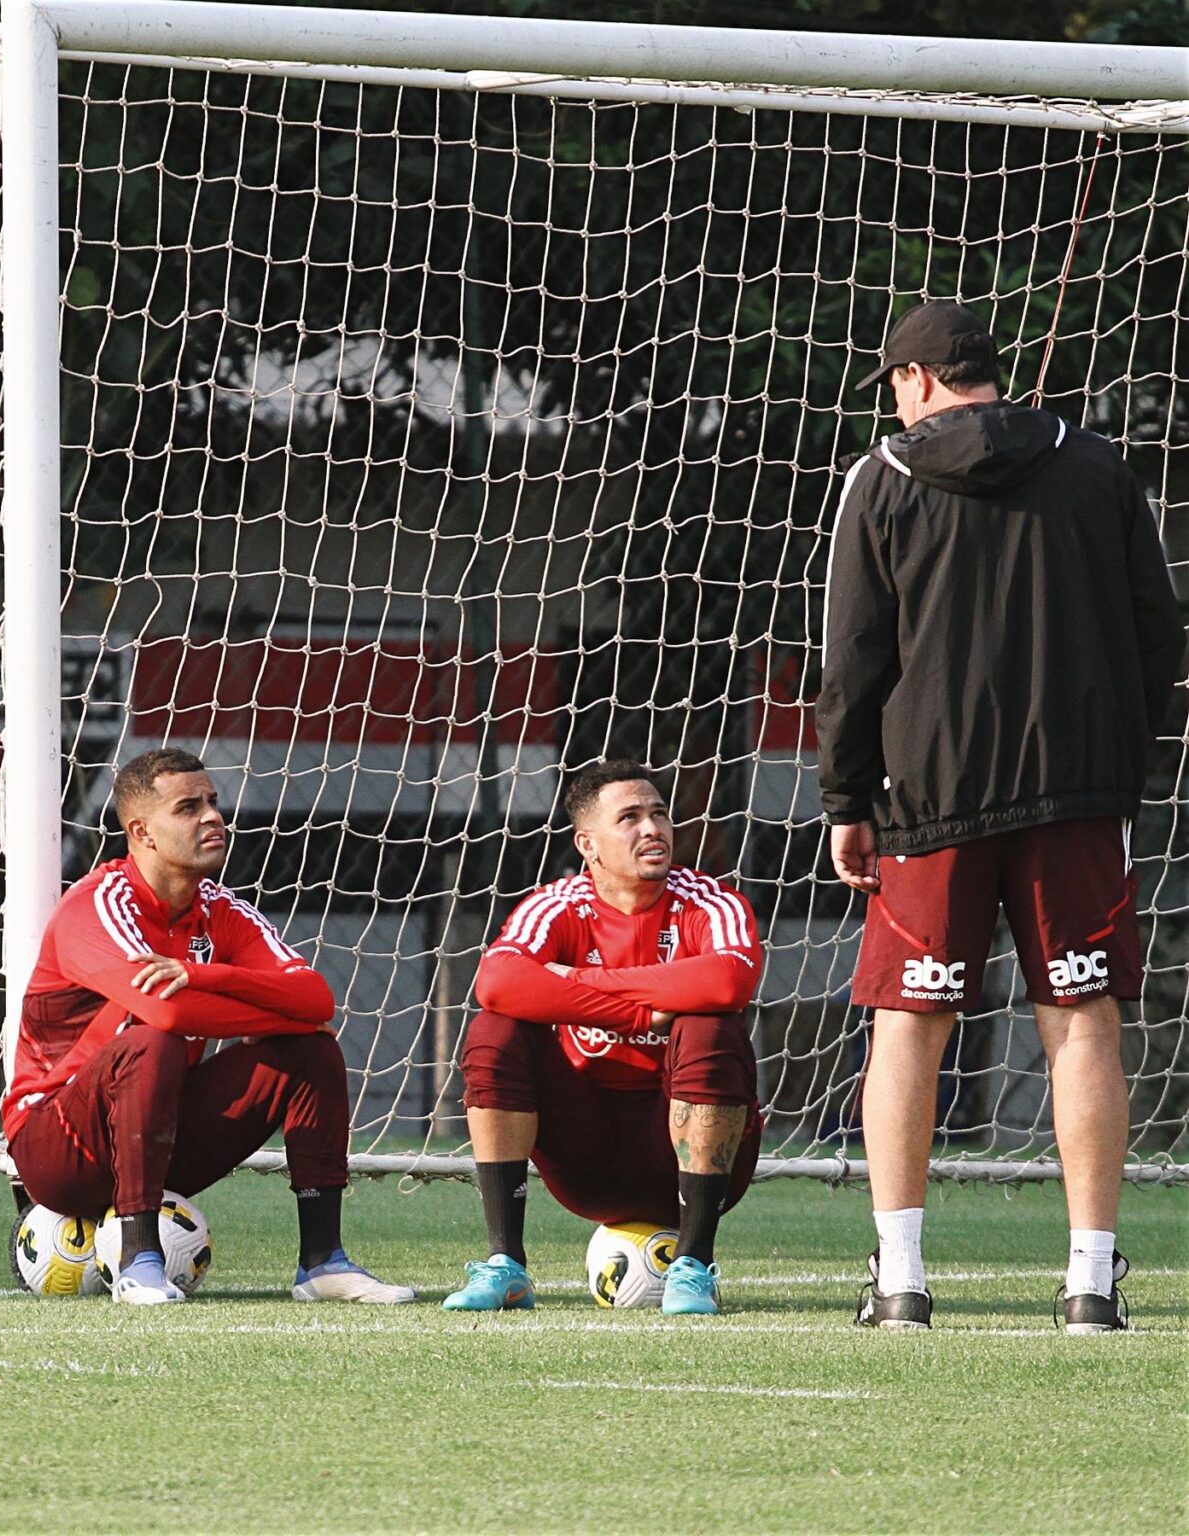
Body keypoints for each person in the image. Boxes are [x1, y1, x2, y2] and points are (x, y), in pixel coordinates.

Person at [817, 300, 1185, 1332]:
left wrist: (845, 800)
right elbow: (1158, 628)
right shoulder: (1099, 467)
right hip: (1074, 792)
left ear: (917, 380)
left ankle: (899, 1280)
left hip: (925, 797)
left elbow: (851, 661)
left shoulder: (881, 478)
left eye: (892, 383)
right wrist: (1118, 751)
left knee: (908, 1025)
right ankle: (1088, 1281)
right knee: (1081, 1023)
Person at [3, 748, 416, 1307]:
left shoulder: (223, 910)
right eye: (188, 807)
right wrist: (259, 1009)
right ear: (142, 831)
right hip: (59, 1148)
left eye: (214, 803)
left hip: (155, 1133)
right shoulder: (96, 905)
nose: (213, 817)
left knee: (309, 1050)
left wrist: (205, 974)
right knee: (153, 1042)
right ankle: (139, 1261)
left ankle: (322, 1263)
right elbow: (167, 1015)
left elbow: (316, 999)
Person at [442, 760, 763, 1316]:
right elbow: (497, 982)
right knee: (495, 1032)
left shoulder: (710, 902)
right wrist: (641, 1016)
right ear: (587, 843)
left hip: (684, 1154)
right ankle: (505, 1266)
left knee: (709, 1024)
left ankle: (693, 1265)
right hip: (585, 1151)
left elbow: (729, 978)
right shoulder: (559, 905)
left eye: (659, 813)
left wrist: (584, 981)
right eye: (631, 818)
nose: (652, 828)